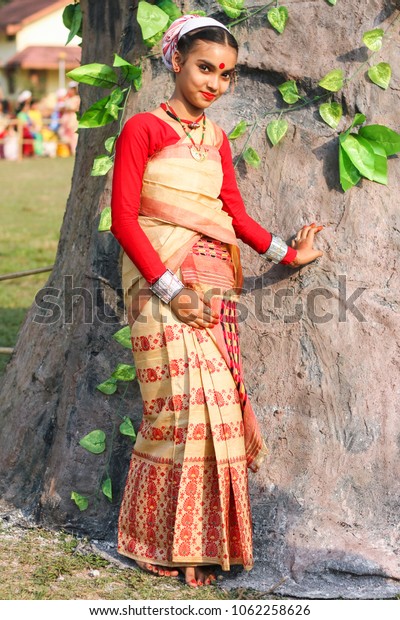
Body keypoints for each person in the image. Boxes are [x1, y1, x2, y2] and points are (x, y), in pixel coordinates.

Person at [111, 15, 323, 588]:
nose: (215, 83)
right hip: (163, 285)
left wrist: (286, 252)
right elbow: (123, 221)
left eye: (225, 75)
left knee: (221, 413)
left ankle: (204, 543)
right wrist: (171, 291)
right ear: (175, 60)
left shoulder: (217, 138)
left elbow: (233, 212)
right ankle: (156, 541)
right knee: (180, 411)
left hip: (215, 283)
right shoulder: (144, 130)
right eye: (206, 68)